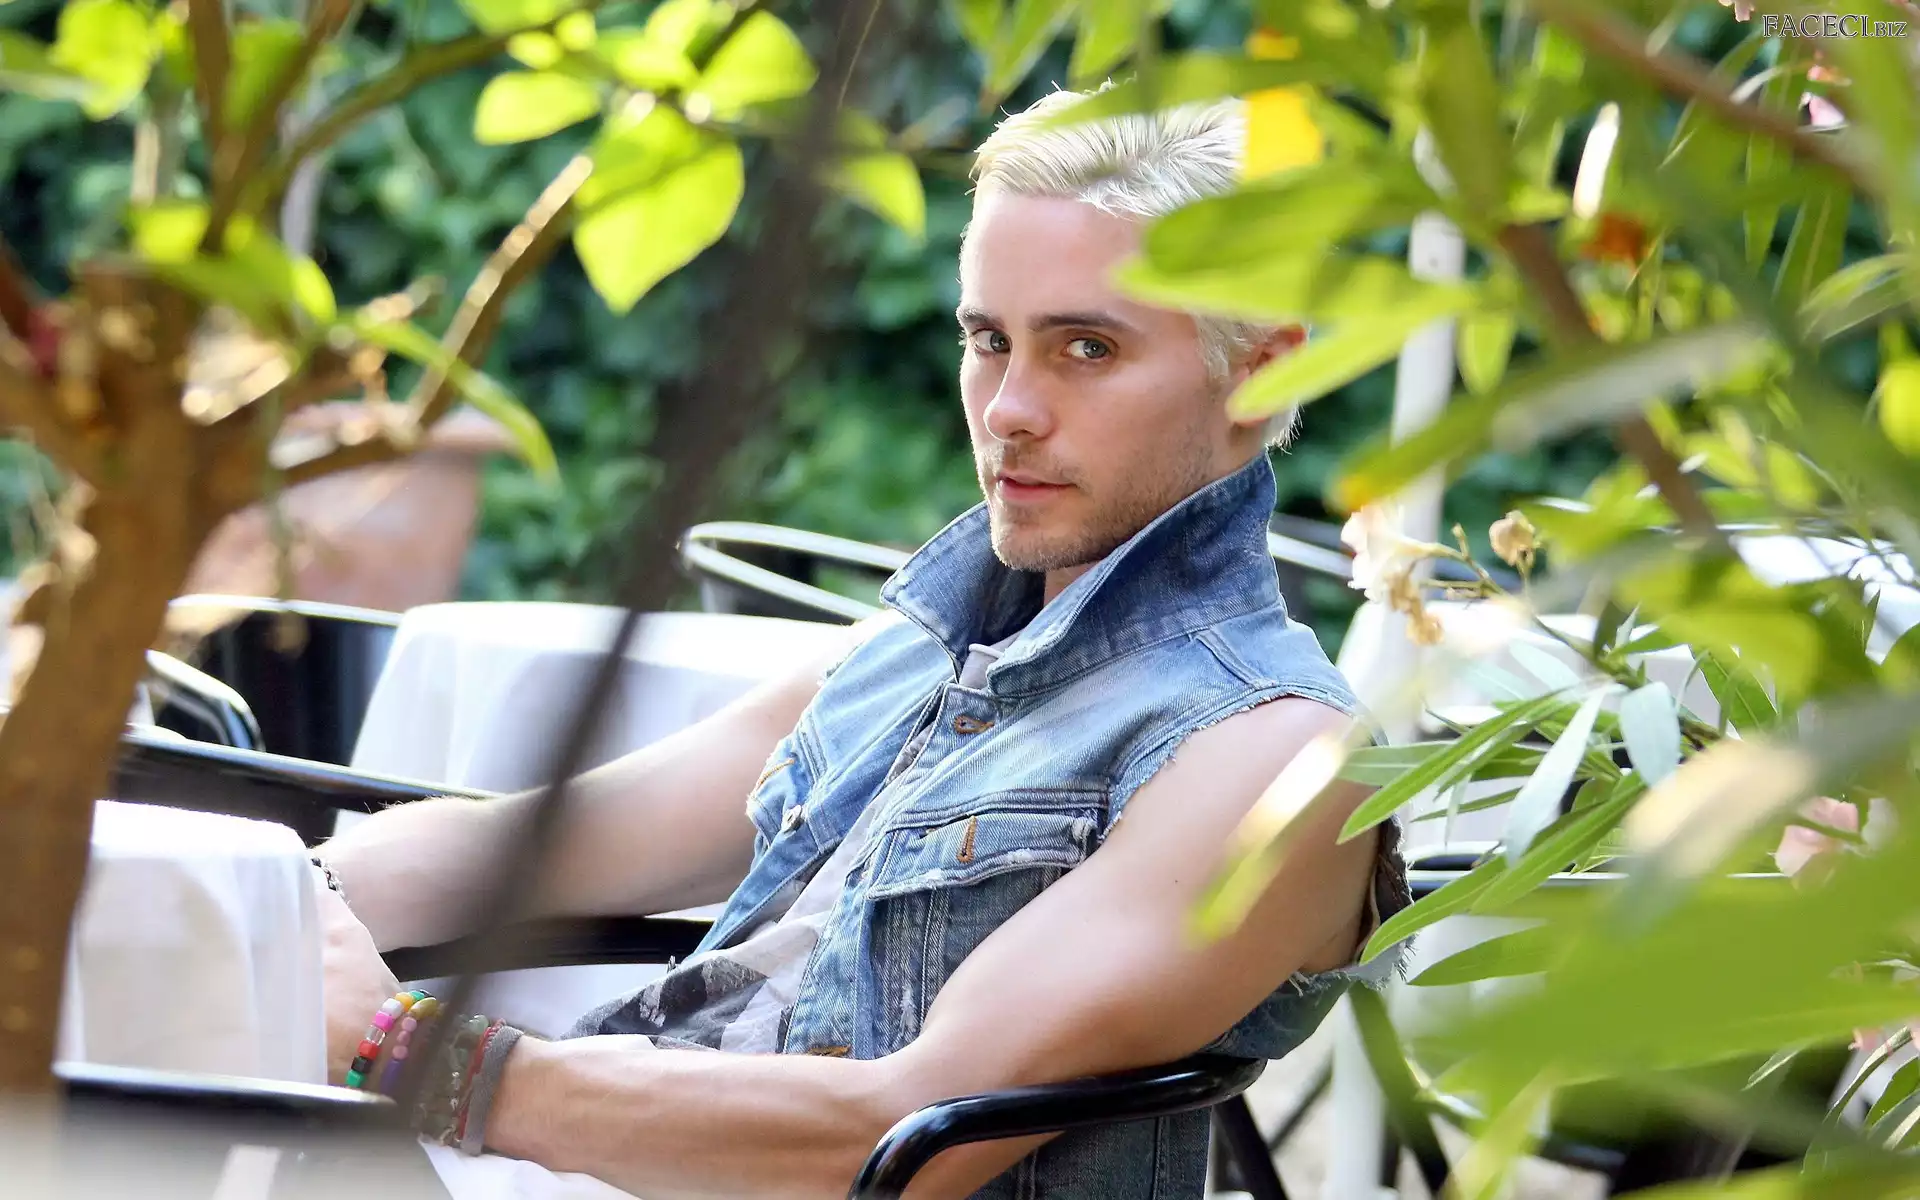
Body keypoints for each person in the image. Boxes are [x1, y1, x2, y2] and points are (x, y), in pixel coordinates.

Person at [314, 86, 1410, 1200]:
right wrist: (279, 889)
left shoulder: (1275, 758)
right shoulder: (924, 646)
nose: (1008, 409)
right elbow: (570, 838)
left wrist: (411, 1057)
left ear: (1261, 373)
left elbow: (898, 1133)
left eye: (1086, 347)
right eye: (989, 340)